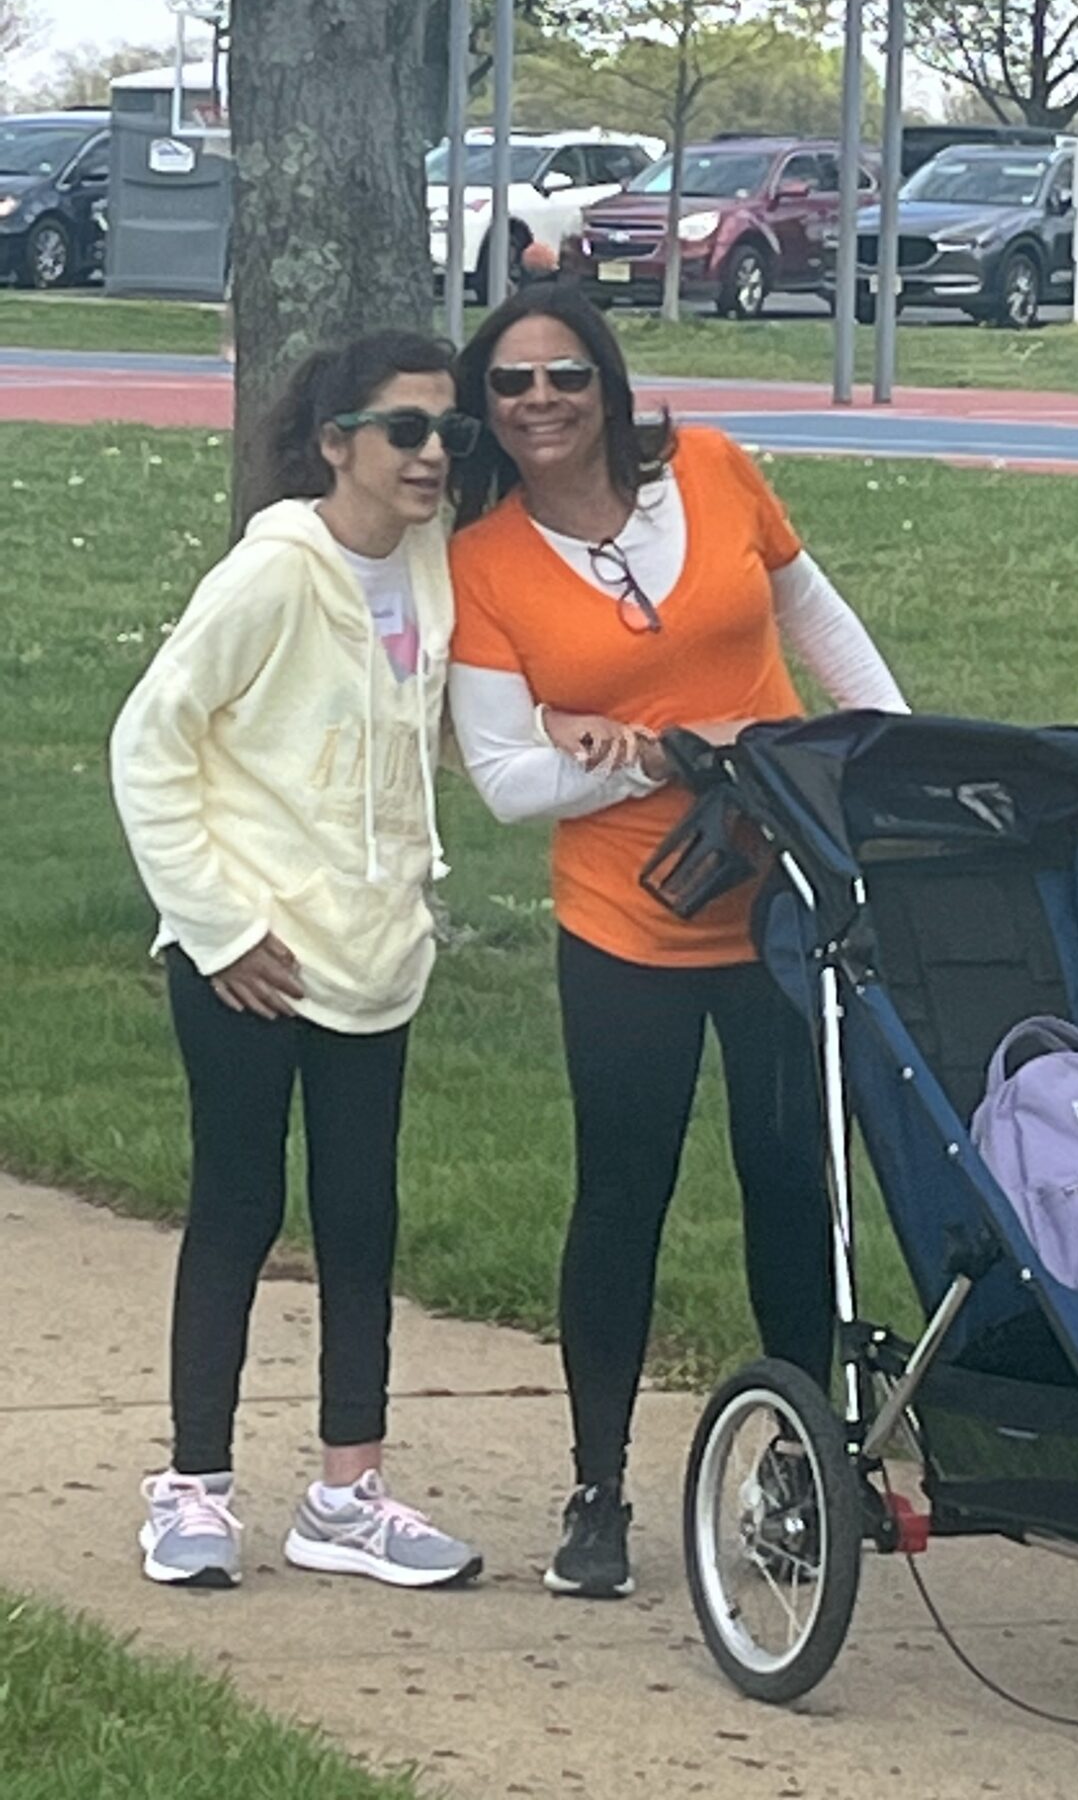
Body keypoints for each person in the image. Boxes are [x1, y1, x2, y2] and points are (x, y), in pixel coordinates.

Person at [447, 282, 907, 1599]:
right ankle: (598, 1488)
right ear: (488, 409)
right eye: (511, 386)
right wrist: (659, 763)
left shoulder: (710, 469)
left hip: (779, 910)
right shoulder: (485, 560)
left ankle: (799, 1472)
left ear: (606, 381)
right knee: (622, 1196)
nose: (540, 403)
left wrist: (884, 756)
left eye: (564, 377)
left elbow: (816, 621)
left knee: (792, 1191)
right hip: (628, 925)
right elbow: (504, 777)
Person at [110, 330, 484, 1593]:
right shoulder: (273, 574)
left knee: (362, 1216)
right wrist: (215, 925)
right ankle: (194, 1485)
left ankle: (347, 1493)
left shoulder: (429, 561)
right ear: (337, 444)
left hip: (374, 956)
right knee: (237, 1206)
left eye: (448, 431)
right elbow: (147, 745)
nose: (433, 454)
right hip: (249, 959)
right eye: (406, 430)